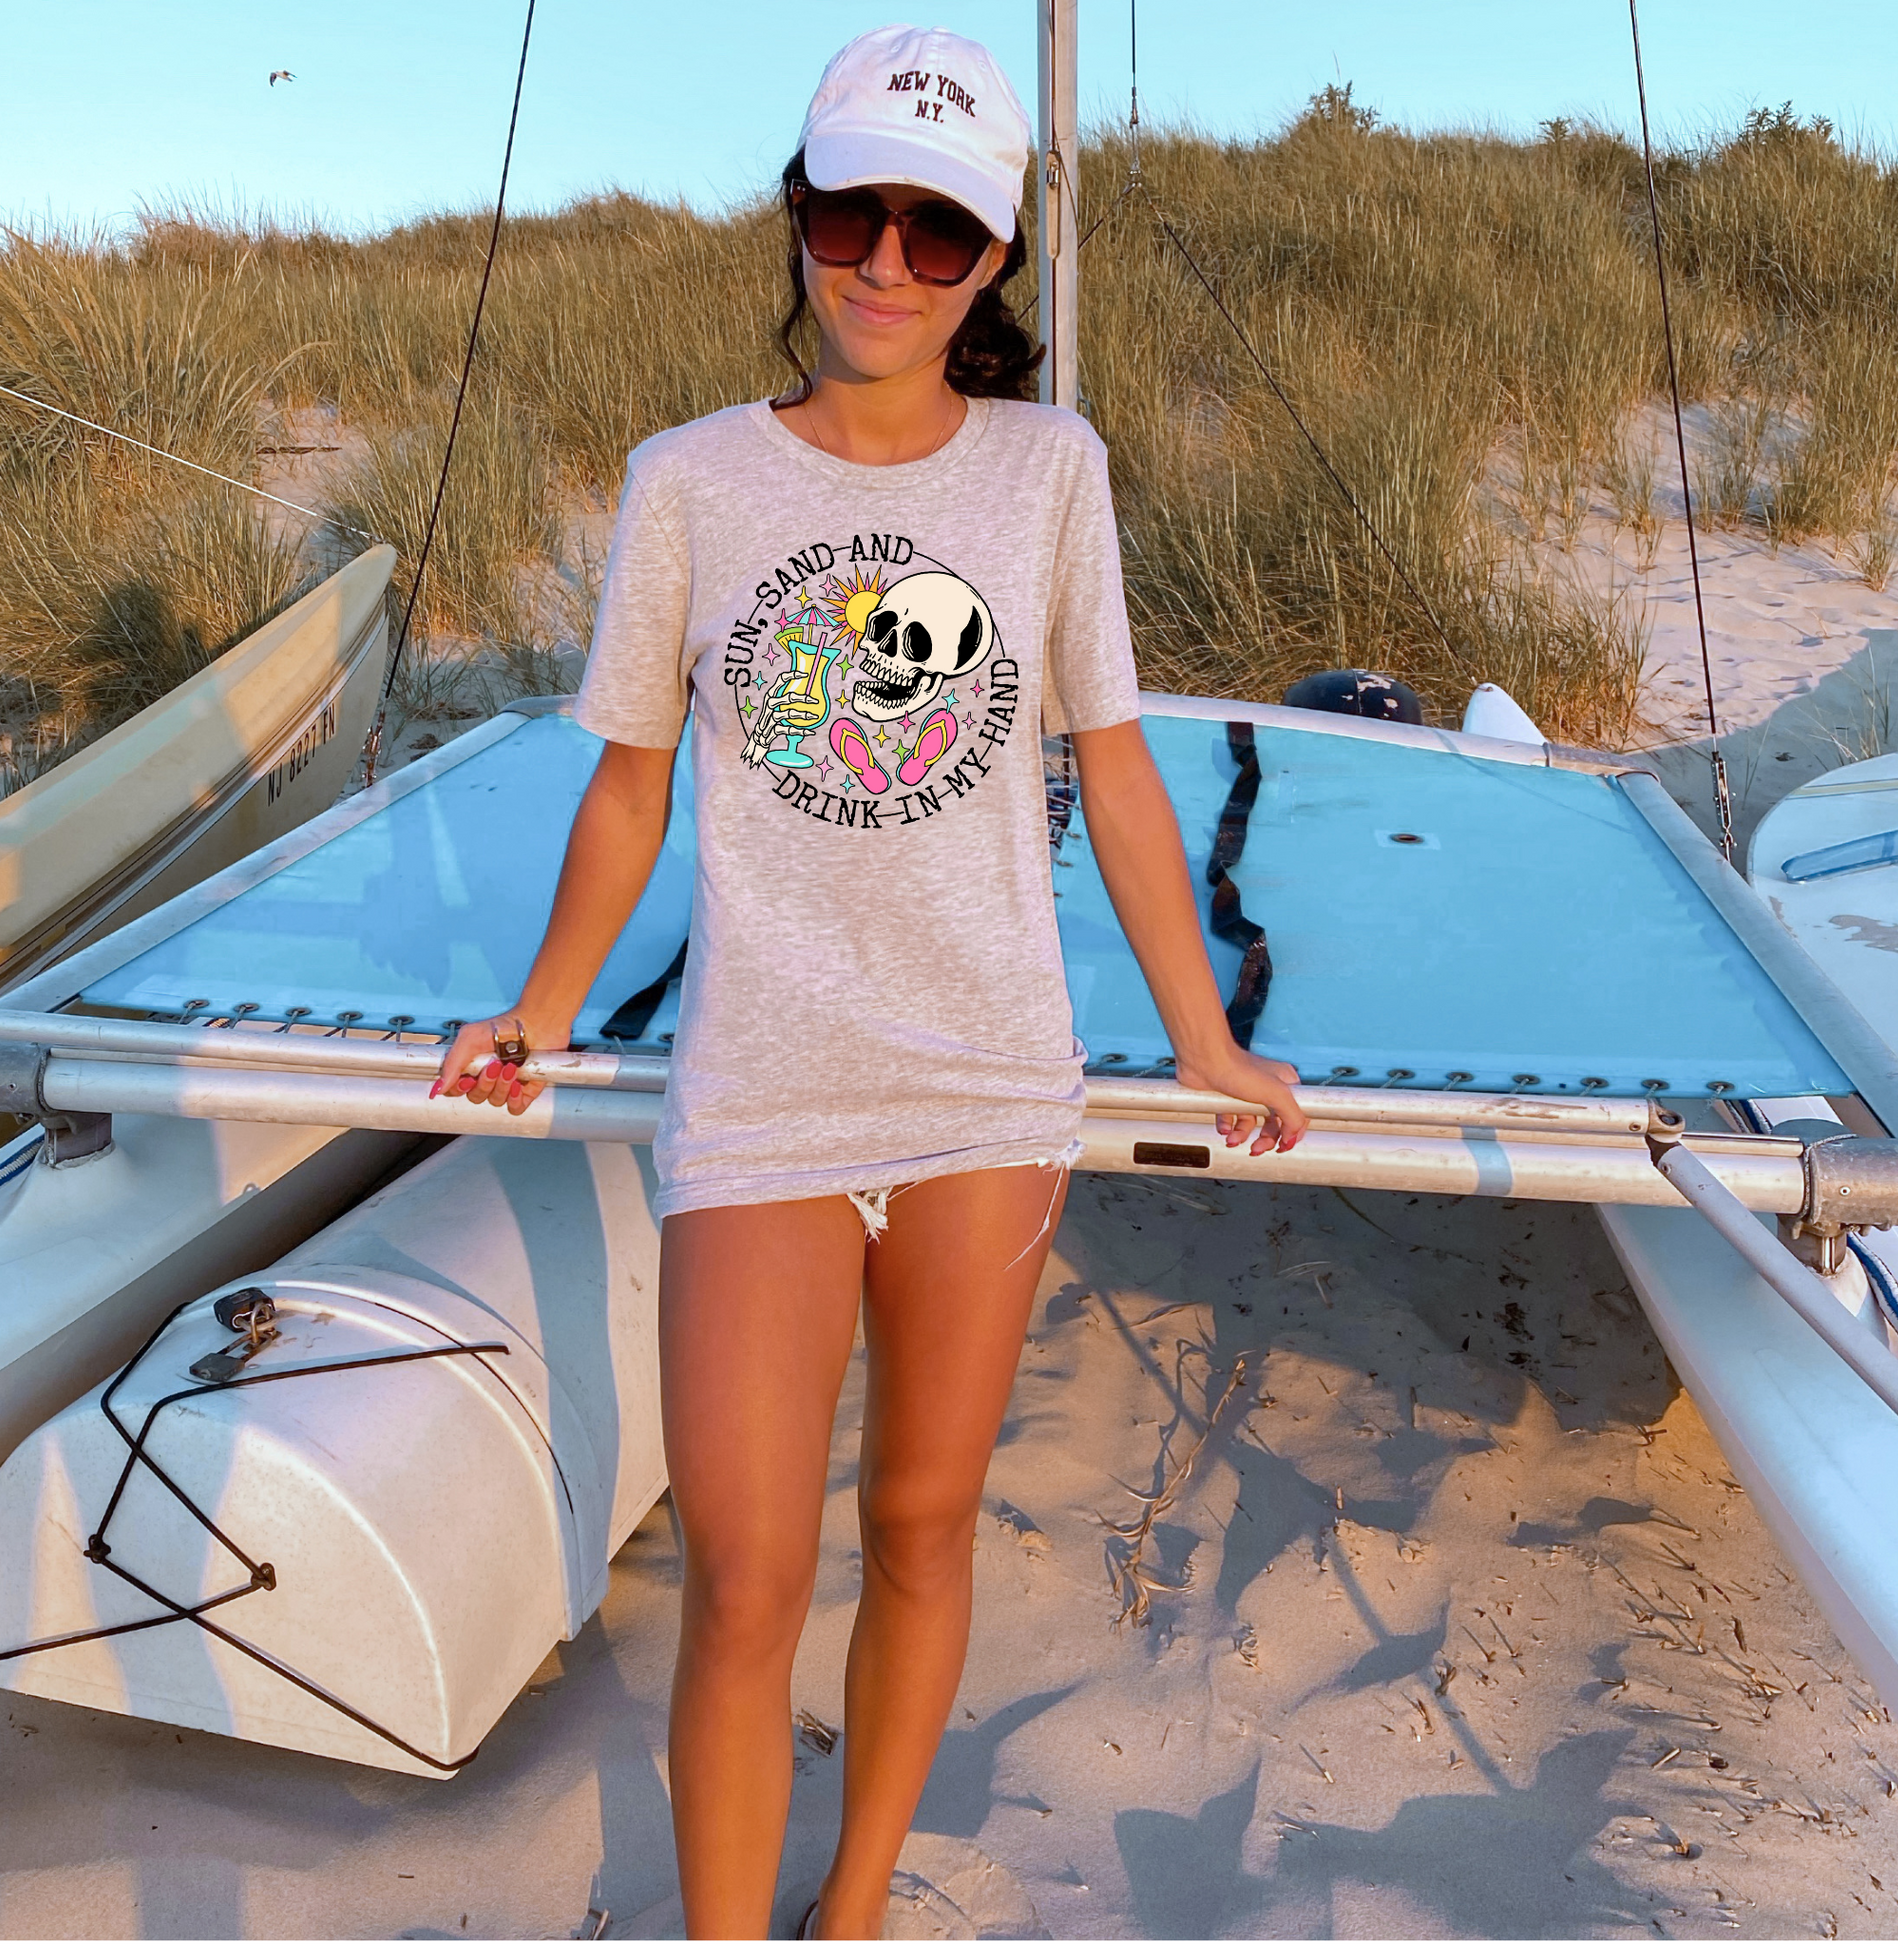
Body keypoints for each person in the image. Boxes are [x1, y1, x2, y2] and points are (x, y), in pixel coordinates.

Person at [435, 24, 1305, 1938]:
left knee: (919, 1523)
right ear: (797, 215)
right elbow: (630, 783)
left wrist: (1204, 1034)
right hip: (763, 1082)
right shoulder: (687, 483)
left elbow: (1115, 766)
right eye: (852, 215)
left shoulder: (1049, 469)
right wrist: (544, 1007)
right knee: (745, 1576)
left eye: (940, 231)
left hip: (989, 1078)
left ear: (992, 261)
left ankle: (851, 1909)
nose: (887, 265)